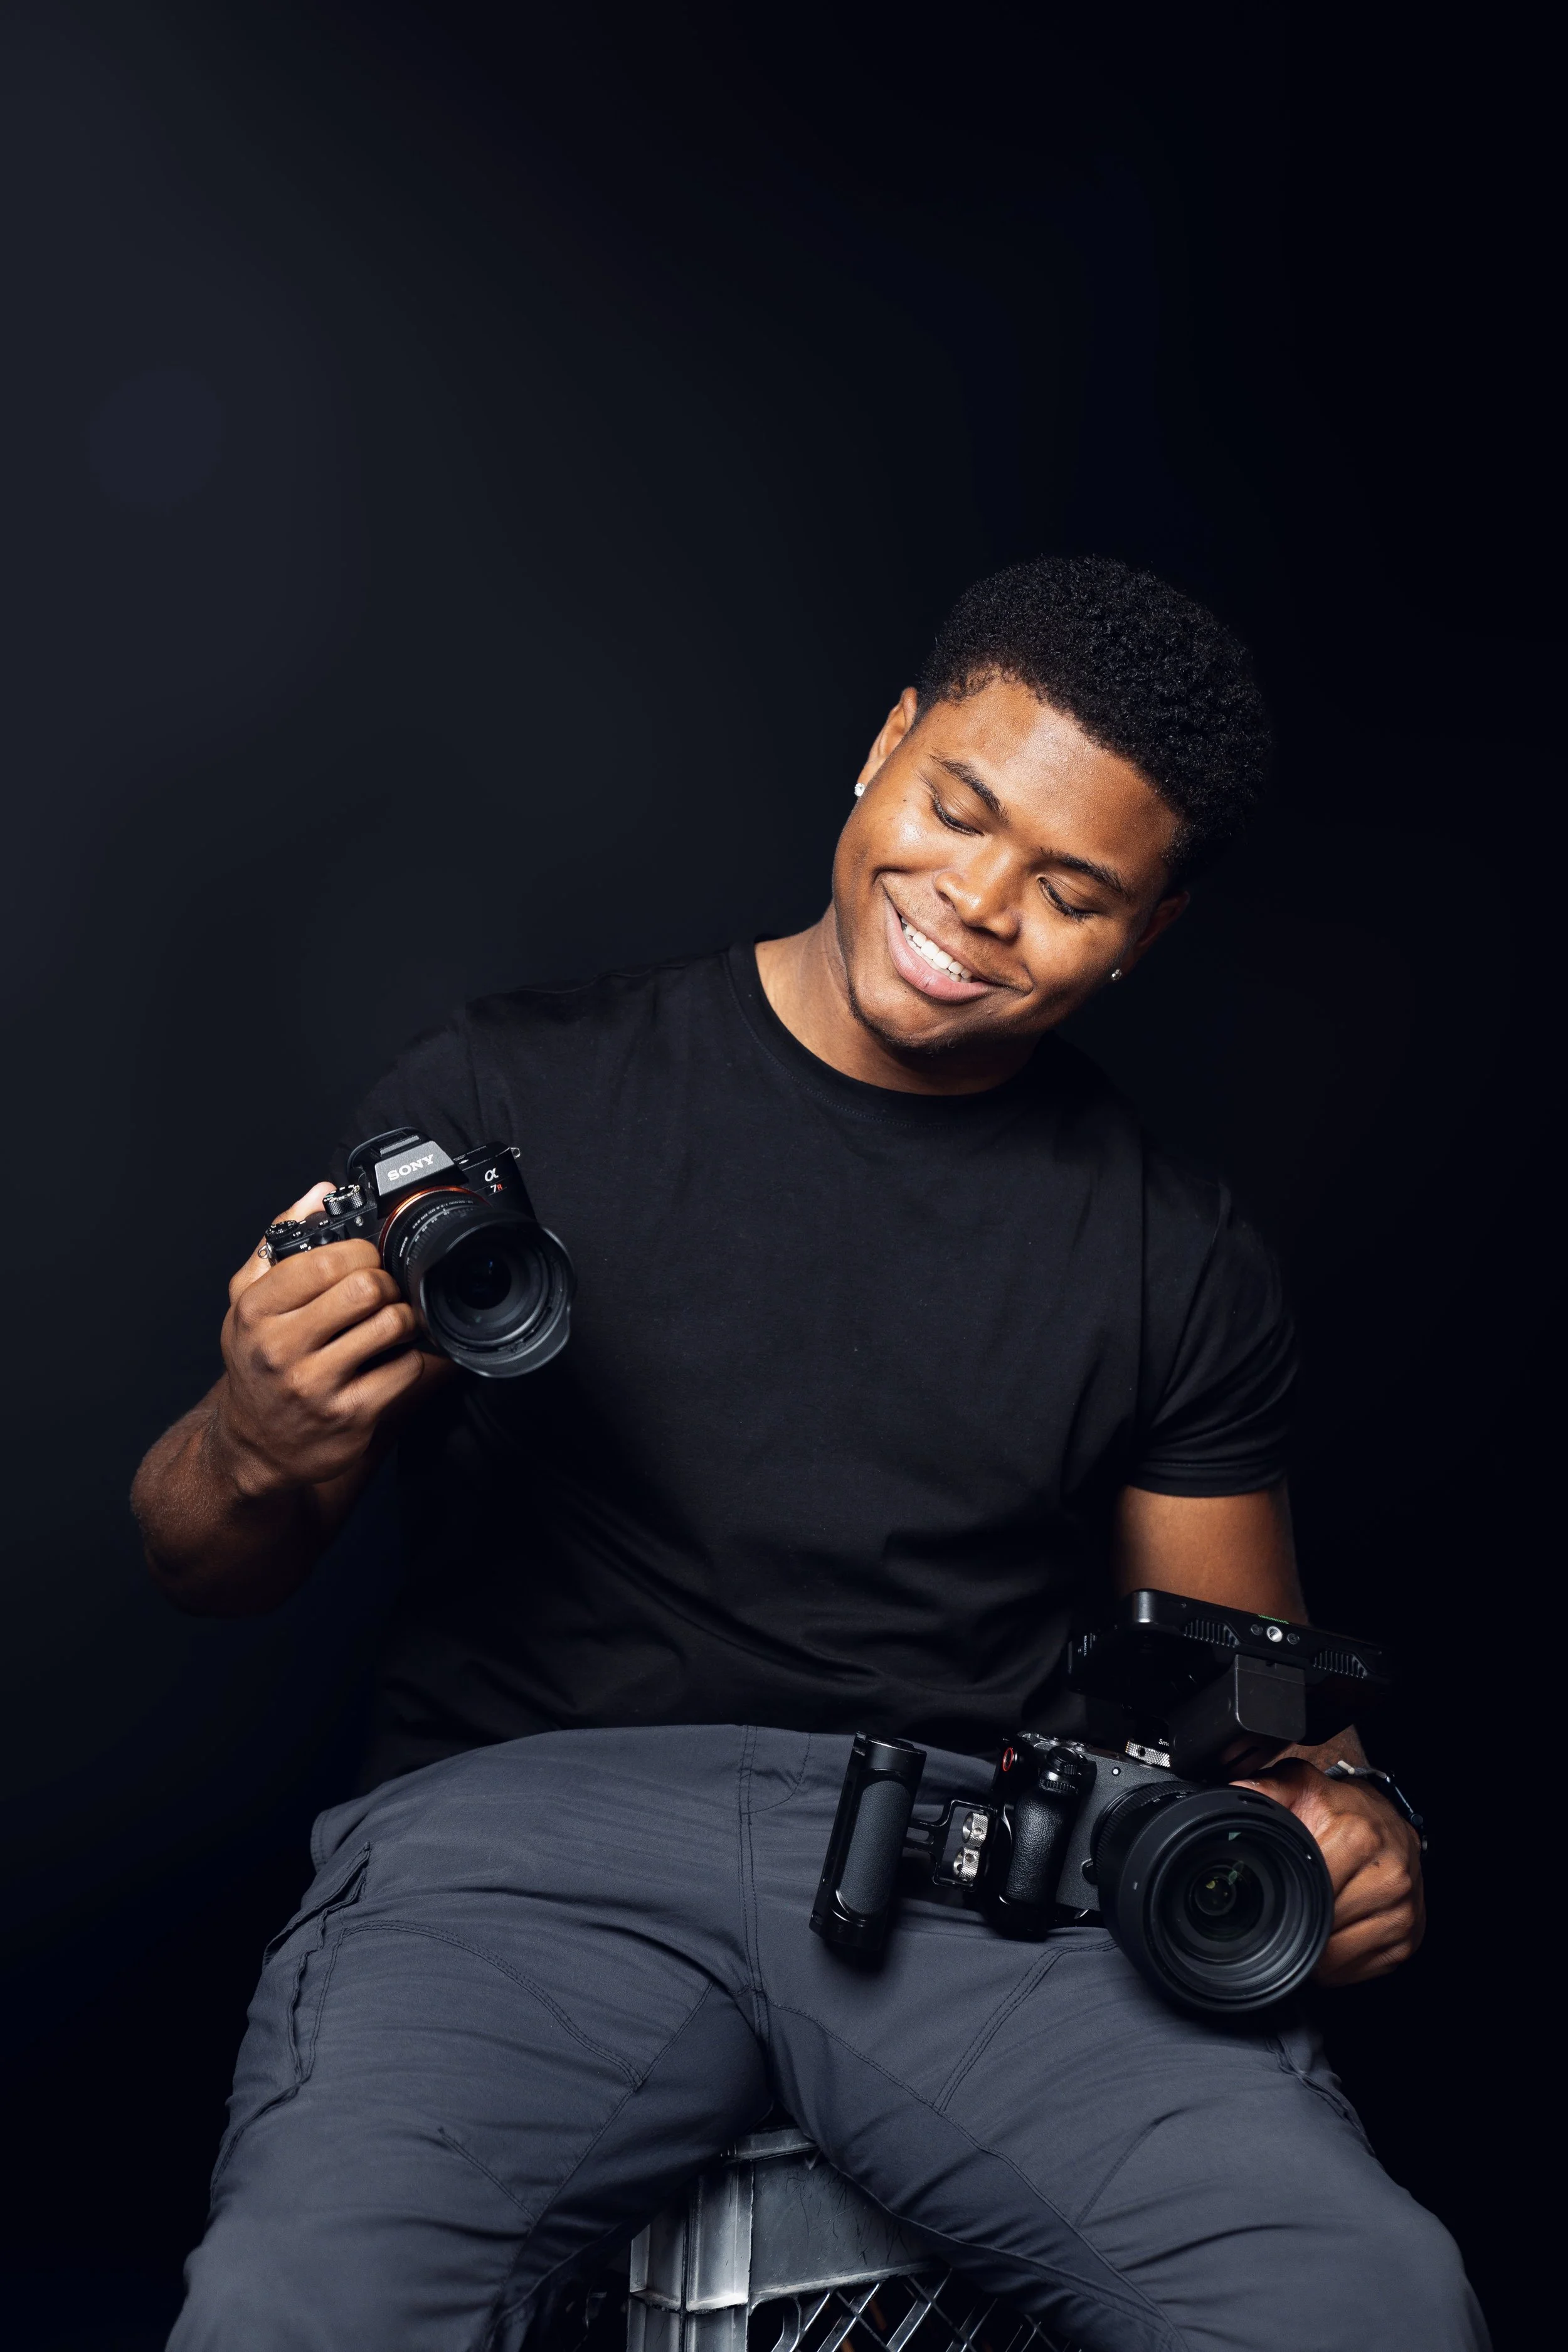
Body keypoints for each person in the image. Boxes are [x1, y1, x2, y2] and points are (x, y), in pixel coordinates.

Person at [134, 558, 1485, 2351]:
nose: (976, 903)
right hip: (532, 1842)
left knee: (1362, 2299)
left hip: (977, 1880)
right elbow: (203, 1556)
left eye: (1070, 889)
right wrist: (252, 1430)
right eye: (959, 807)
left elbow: (1243, 1713)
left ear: (1143, 934)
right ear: (883, 746)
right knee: (298, 2309)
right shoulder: (502, 1096)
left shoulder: (1172, 1252)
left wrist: (1355, 1818)